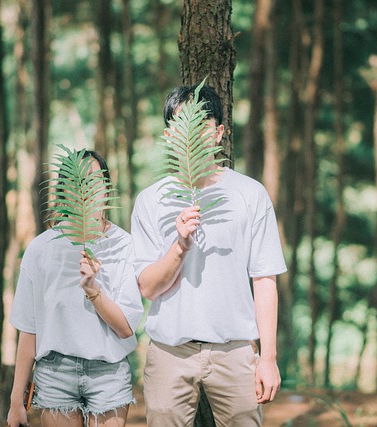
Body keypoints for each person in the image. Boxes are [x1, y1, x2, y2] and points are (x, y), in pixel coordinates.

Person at [130, 83, 287, 426]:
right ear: (170, 135)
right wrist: (179, 245)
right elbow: (147, 288)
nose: (190, 134)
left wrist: (269, 358)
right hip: (170, 352)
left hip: (235, 351)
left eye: (200, 123)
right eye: (181, 123)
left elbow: (264, 279)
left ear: (219, 132)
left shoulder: (250, 194)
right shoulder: (151, 200)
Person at [7, 150, 143, 427]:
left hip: (108, 372)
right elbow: (28, 330)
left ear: (106, 187)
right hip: (55, 373)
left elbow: (126, 328)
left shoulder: (124, 245)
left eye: (94, 179)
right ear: (63, 191)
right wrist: (15, 400)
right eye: (77, 181)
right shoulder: (41, 249)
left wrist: (93, 290)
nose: (87, 188)